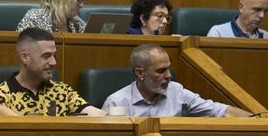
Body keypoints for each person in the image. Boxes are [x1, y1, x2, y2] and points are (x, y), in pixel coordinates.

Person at [101, 44, 251, 118]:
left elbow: (219, 111)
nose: (168, 76)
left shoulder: (176, 92)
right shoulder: (117, 102)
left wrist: (257, 120)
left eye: (168, 68)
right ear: (140, 73)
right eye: (160, 71)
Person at [0, 28, 104, 116]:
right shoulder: (1, 96)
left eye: (54, 56)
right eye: (46, 56)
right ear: (25, 57)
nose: (53, 62)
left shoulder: (61, 90)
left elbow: (93, 114)